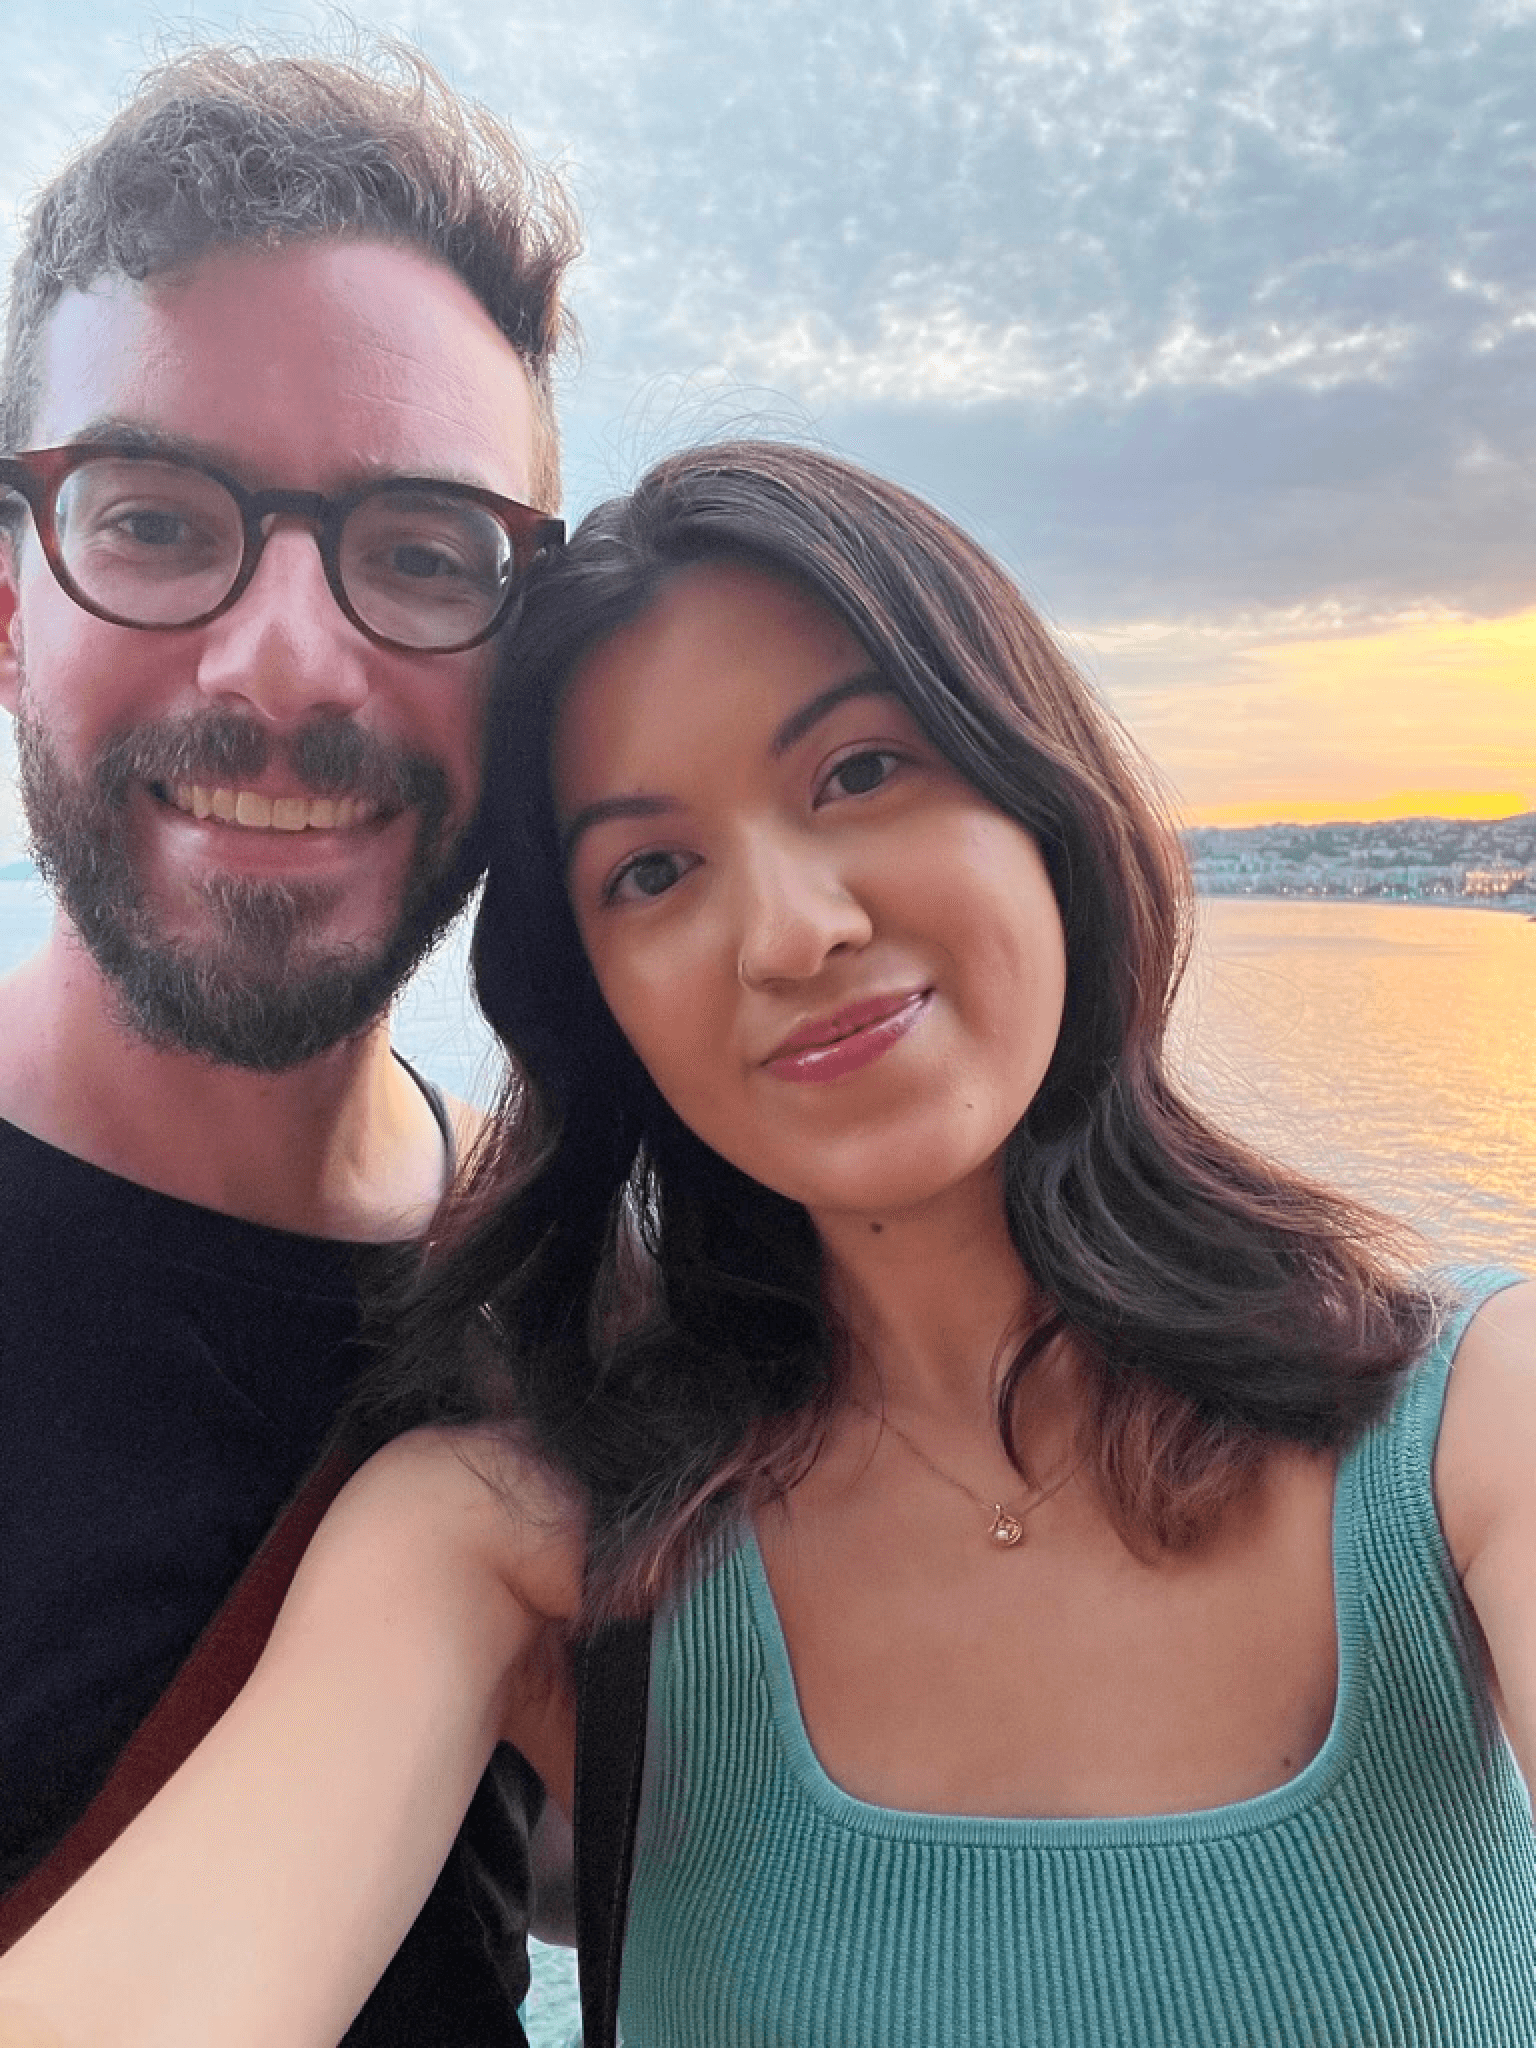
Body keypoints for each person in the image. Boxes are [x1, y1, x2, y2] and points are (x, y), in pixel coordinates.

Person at [2, 441, 1533, 2048]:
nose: (797, 931)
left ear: (1037, 790)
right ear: (600, 1001)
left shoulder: (1468, 1429)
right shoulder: (516, 1544)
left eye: (861, 772)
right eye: (654, 872)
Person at [0, 37, 579, 2044]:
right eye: (156, 521)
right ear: (12, 606)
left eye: (423, 550)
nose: (285, 664)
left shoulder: (574, 1289)